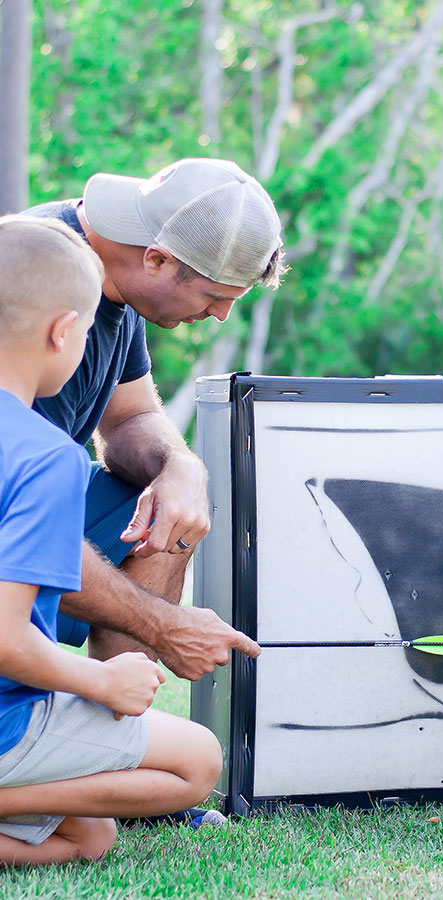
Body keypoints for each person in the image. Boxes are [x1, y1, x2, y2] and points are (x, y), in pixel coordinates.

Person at [0, 216, 223, 865]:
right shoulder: (44, 458)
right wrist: (102, 684)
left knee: (89, 837)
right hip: (10, 714)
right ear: (64, 333)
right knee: (198, 762)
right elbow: (8, 640)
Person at [21, 158, 285, 686]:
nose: (219, 317)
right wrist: (167, 626)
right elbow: (21, 524)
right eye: (213, 297)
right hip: (16, 522)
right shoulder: (41, 280)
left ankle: (116, 718)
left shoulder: (119, 276)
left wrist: (179, 465)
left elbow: (129, 418)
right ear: (158, 260)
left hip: (31, 507)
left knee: (170, 507)